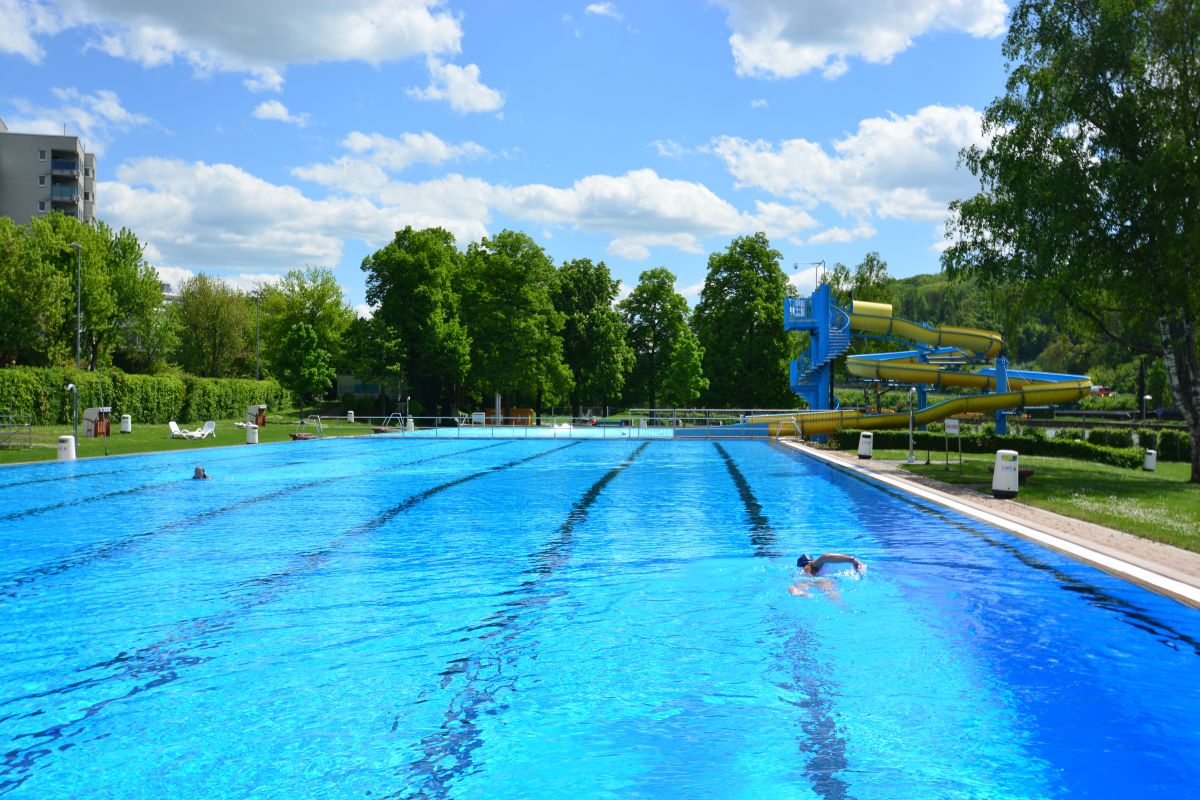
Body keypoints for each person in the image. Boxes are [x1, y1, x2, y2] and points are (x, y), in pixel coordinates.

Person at [788, 552, 865, 596]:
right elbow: (826, 556)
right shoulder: (812, 564)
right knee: (832, 592)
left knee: (795, 587)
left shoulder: (799, 571)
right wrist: (852, 560)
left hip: (803, 580)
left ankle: (797, 592)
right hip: (820, 580)